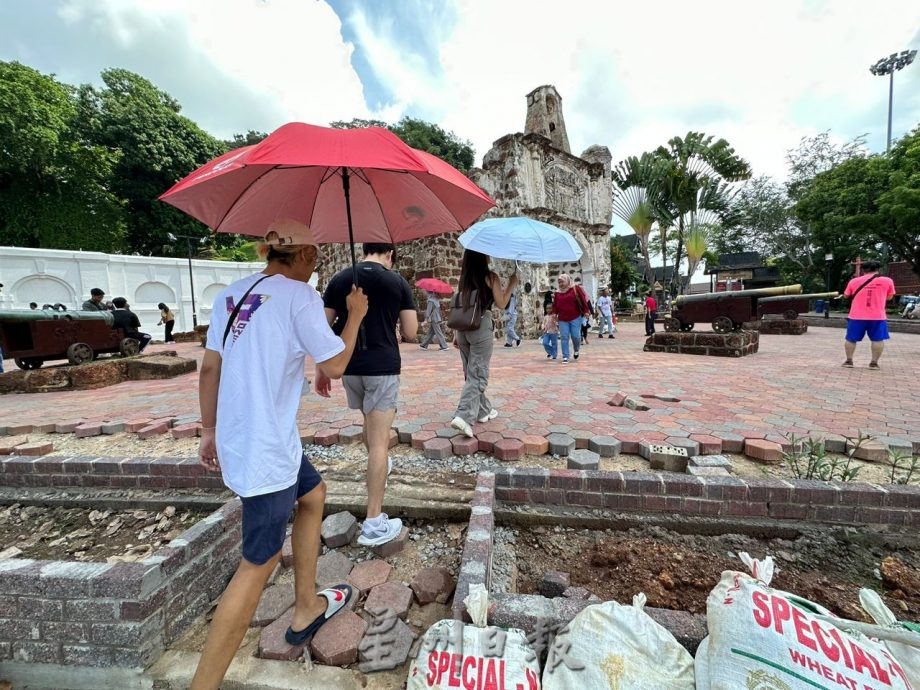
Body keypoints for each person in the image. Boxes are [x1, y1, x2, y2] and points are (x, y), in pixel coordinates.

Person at [191, 223, 368, 690]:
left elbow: (210, 368)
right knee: (258, 563)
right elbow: (333, 363)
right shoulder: (298, 295)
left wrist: (208, 431)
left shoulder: (230, 294)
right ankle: (203, 683)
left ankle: (307, 604)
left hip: (244, 436)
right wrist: (354, 316)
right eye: (317, 255)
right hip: (266, 448)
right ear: (306, 254)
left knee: (313, 495)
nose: (317, 264)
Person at [318, 243, 418, 547]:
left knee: (368, 423)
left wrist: (322, 369)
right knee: (379, 443)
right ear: (390, 254)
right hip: (383, 367)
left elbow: (322, 329)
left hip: (349, 366)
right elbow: (411, 332)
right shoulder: (397, 281)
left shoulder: (339, 279)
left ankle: (379, 465)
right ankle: (374, 523)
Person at [450, 250, 517, 437]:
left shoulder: (464, 280)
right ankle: (463, 416)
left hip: (463, 329)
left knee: (470, 372)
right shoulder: (490, 276)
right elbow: (502, 303)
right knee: (478, 374)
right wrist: (511, 284)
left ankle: (483, 410)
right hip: (480, 325)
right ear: (482, 257)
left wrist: (456, 333)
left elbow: (462, 307)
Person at [842, 260, 895, 369]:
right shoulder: (887, 281)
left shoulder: (854, 281)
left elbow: (846, 295)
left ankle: (849, 361)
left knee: (851, 339)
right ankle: (874, 363)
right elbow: (889, 297)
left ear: (863, 270)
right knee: (878, 339)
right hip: (877, 316)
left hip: (856, 316)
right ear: (877, 269)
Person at [553, 273, 590, 363]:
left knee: (575, 336)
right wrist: (554, 313)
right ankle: (565, 356)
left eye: (562, 282)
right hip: (562, 318)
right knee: (564, 337)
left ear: (567, 280)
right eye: (559, 282)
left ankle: (576, 349)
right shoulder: (557, 293)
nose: (560, 284)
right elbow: (555, 304)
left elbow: (583, 299)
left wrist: (586, 311)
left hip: (575, 317)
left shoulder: (575, 288)